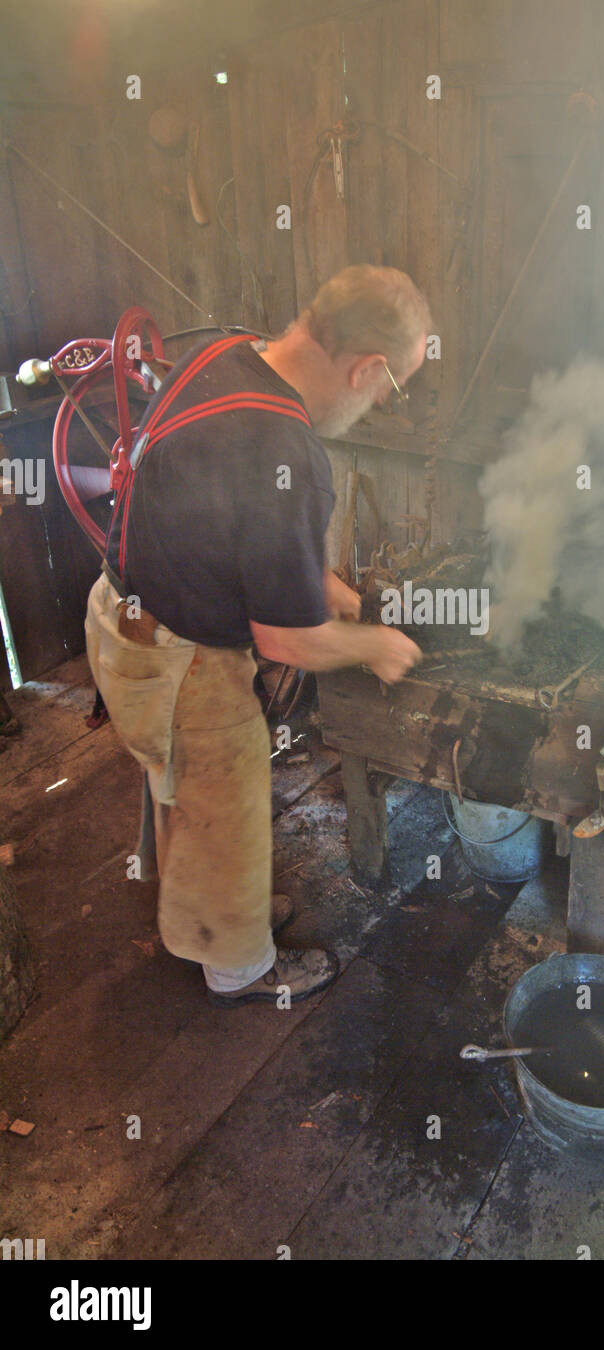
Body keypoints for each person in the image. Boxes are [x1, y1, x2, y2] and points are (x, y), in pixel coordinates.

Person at [85, 265, 426, 1006]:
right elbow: (289, 645)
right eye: (389, 388)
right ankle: (239, 968)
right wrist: (378, 646)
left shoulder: (224, 351)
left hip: (122, 622)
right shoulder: (286, 453)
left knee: (188, 798)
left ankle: (205, 916)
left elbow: (231, 522)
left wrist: (323, 587)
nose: (377, 404)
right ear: (367, 368)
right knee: (225, 809)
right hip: (179, 663)